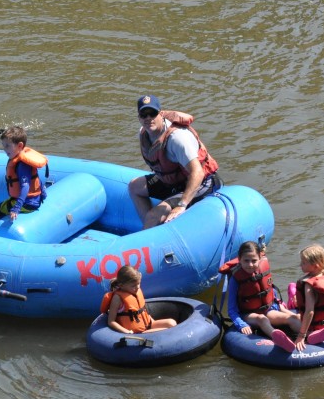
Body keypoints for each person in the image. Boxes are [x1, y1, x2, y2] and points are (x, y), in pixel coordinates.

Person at [128, 94, 221, 229]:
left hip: (201, 183)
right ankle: (152, 230)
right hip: (174, 181)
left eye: (152, 113)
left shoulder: (177, 138)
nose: (148, 118)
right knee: (134, 186)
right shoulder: (144, 133)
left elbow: (198, 173)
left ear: (160, 114)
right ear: (139, 118)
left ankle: (149, 235)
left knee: (153, 215)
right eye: (144, 114)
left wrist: (181, 205)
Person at [272, 244, 324, 352]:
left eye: (303, 262)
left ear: (315, 266)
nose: (300, 265)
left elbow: (310, 312)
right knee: (296, 315)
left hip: (315, 326)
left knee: (292, 321)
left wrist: (301, 336)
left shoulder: (309, 285)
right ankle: (319, 333)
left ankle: (309, 336)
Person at [220, 241, 301, 340]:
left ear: (259, 259)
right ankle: (279, 339)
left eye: (254, 261)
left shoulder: (262, 271)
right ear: (239, 259)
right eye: (246, 260)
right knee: (262, 319)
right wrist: (241, 324)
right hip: (248, 315)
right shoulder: (235, 279)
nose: (250, 264)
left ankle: (308, 335)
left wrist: (278, 304)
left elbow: (270, 291)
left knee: (292, 318)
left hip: (267, 311)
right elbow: (231, 310)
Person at [0, 125, 47, 225]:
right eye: (3, 145)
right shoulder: (23, 160)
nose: (4, 149)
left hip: (26, 204)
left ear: (19, 146)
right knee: (0, 209)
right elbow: (36, 180)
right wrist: (43, 194)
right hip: (33, 201)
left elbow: (25, 186)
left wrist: (17, 208)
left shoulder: (21, 164)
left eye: (7, 146)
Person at [100, 265, 178, 335]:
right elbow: (111, 322)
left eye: (138, 283)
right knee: (168, 330)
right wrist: (126, 332)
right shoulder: (117, 298)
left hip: (148, 324)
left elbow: (141, 311)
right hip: (138, 333)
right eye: (133, 285)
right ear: (121, 285)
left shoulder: (135, 291)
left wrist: (152, 321)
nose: (137, 287)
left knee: (172, 323)